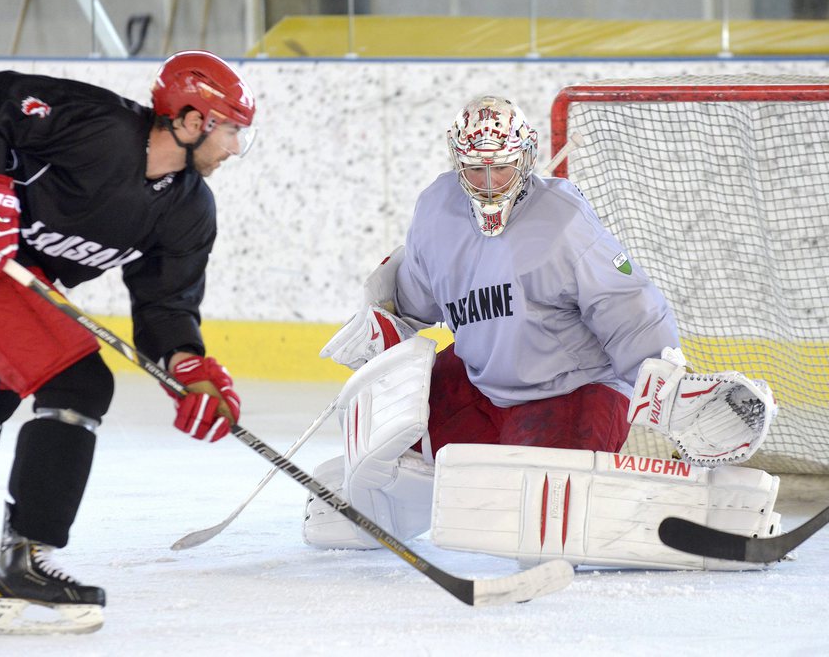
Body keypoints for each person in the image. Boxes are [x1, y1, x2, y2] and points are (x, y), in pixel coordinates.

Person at [0, 50, 255, 634]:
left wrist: (188, 367)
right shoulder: (94, 124)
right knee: (78, 380)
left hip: (16, 270)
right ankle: (27, 567)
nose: (233, 149)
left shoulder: (188, 209)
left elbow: (165, 304)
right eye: (230, 132)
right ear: (193, 120)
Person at [303, 95, 780, 570]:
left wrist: (667, 387)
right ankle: (380, 506)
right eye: (475, 171)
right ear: (457, 161)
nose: (489, 186)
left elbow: (630, 308)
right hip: (482, 383)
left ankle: (692, 513)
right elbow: (415, 298)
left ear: (526, 160)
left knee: (541, 511)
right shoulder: (436, 210)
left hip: (572, 393)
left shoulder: (565, 223)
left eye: (502, 170)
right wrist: (381, 322)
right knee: (397, 427)